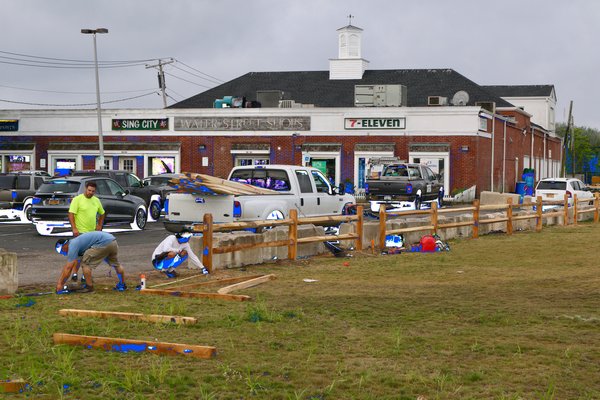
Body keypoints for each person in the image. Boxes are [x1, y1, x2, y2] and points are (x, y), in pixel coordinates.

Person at [55, 231, 127, 294]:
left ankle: (89, 287)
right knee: (116, 265)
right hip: (112, 241)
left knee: (85, 264)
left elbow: (68, 268)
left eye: (60, 251)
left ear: (64, 246)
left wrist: (60, 284)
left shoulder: (72, 245)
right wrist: (74, 275)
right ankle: (122, 285)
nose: (62, 253)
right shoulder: (77, 243)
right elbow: (76, 262)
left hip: (102, 243)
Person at [68, 181, 105, 282]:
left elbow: (102, 213)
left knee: (89, 255)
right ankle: (75, 273)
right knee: (78, 255)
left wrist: (99, 225)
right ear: (85, 189)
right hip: (80, 232)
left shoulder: (96, 201)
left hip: (92, 233)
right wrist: (74, 228)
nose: (90, 193)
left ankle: (86, 275)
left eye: (93, 191)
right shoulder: (77, 200)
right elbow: (71, 214)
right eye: (89, 190)